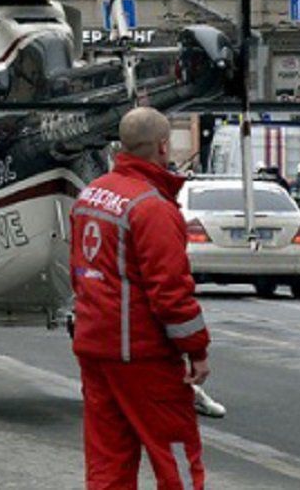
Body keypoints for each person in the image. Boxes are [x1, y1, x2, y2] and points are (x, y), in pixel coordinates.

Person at [71, 107, 210, 489]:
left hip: (95, 349)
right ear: (163, 147)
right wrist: (195, 350)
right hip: (142, 355)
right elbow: (170, 295)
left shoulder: (90, 195)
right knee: (175, 453)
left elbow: (77, 273)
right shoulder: (153, 208)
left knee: (107, 460)